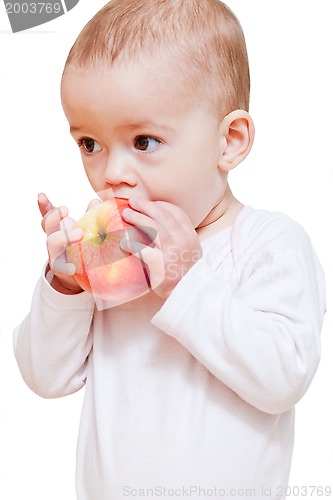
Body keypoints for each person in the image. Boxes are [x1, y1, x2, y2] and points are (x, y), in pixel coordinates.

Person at [14, 1, 326, 499]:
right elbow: (45, 377)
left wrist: (187, 282)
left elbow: (284, 376)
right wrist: (65, 287)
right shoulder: (115, 251)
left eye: (144, 140)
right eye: (90, 143)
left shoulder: (270, 243)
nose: (111, 172)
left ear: (230, 141)